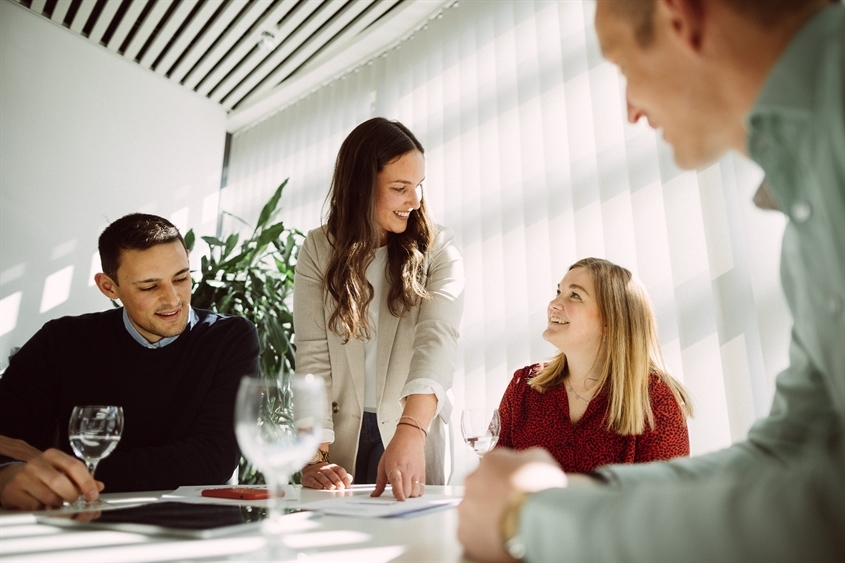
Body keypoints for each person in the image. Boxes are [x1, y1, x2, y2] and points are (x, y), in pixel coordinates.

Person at [458, 0, 844, 561]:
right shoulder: (807, 191)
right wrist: (573, 496)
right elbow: (794, 448)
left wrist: (533, 522)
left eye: (622, 65)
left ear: (680, 17)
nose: (631, 109)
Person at [0, 214, 260, 510]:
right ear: (109, 287)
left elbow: (214, 458)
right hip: (81, 520)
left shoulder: (228, 338)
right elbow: (8, 438)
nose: (173, 299)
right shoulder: (61, 340)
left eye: (181, 278)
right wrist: (9, 473)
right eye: (150, 287)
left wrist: (70, 470)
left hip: (193, 522)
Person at [294, 117, 465, 501]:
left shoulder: (440, 248)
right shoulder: (318, 249)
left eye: (419, 186)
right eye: (400, 188)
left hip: (412, 426)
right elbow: (313, 356)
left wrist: (411, 429)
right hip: (340, 438)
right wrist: (315, 457)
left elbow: (437, 340)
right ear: (360, 189)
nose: (416, 200)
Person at [497, 258, 691, 473]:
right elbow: (493, 479)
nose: (554, 304)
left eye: (575, 295)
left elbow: (663, 499)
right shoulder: (523, 386)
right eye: (558, 292)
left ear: (610, 321)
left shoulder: (655, 398)